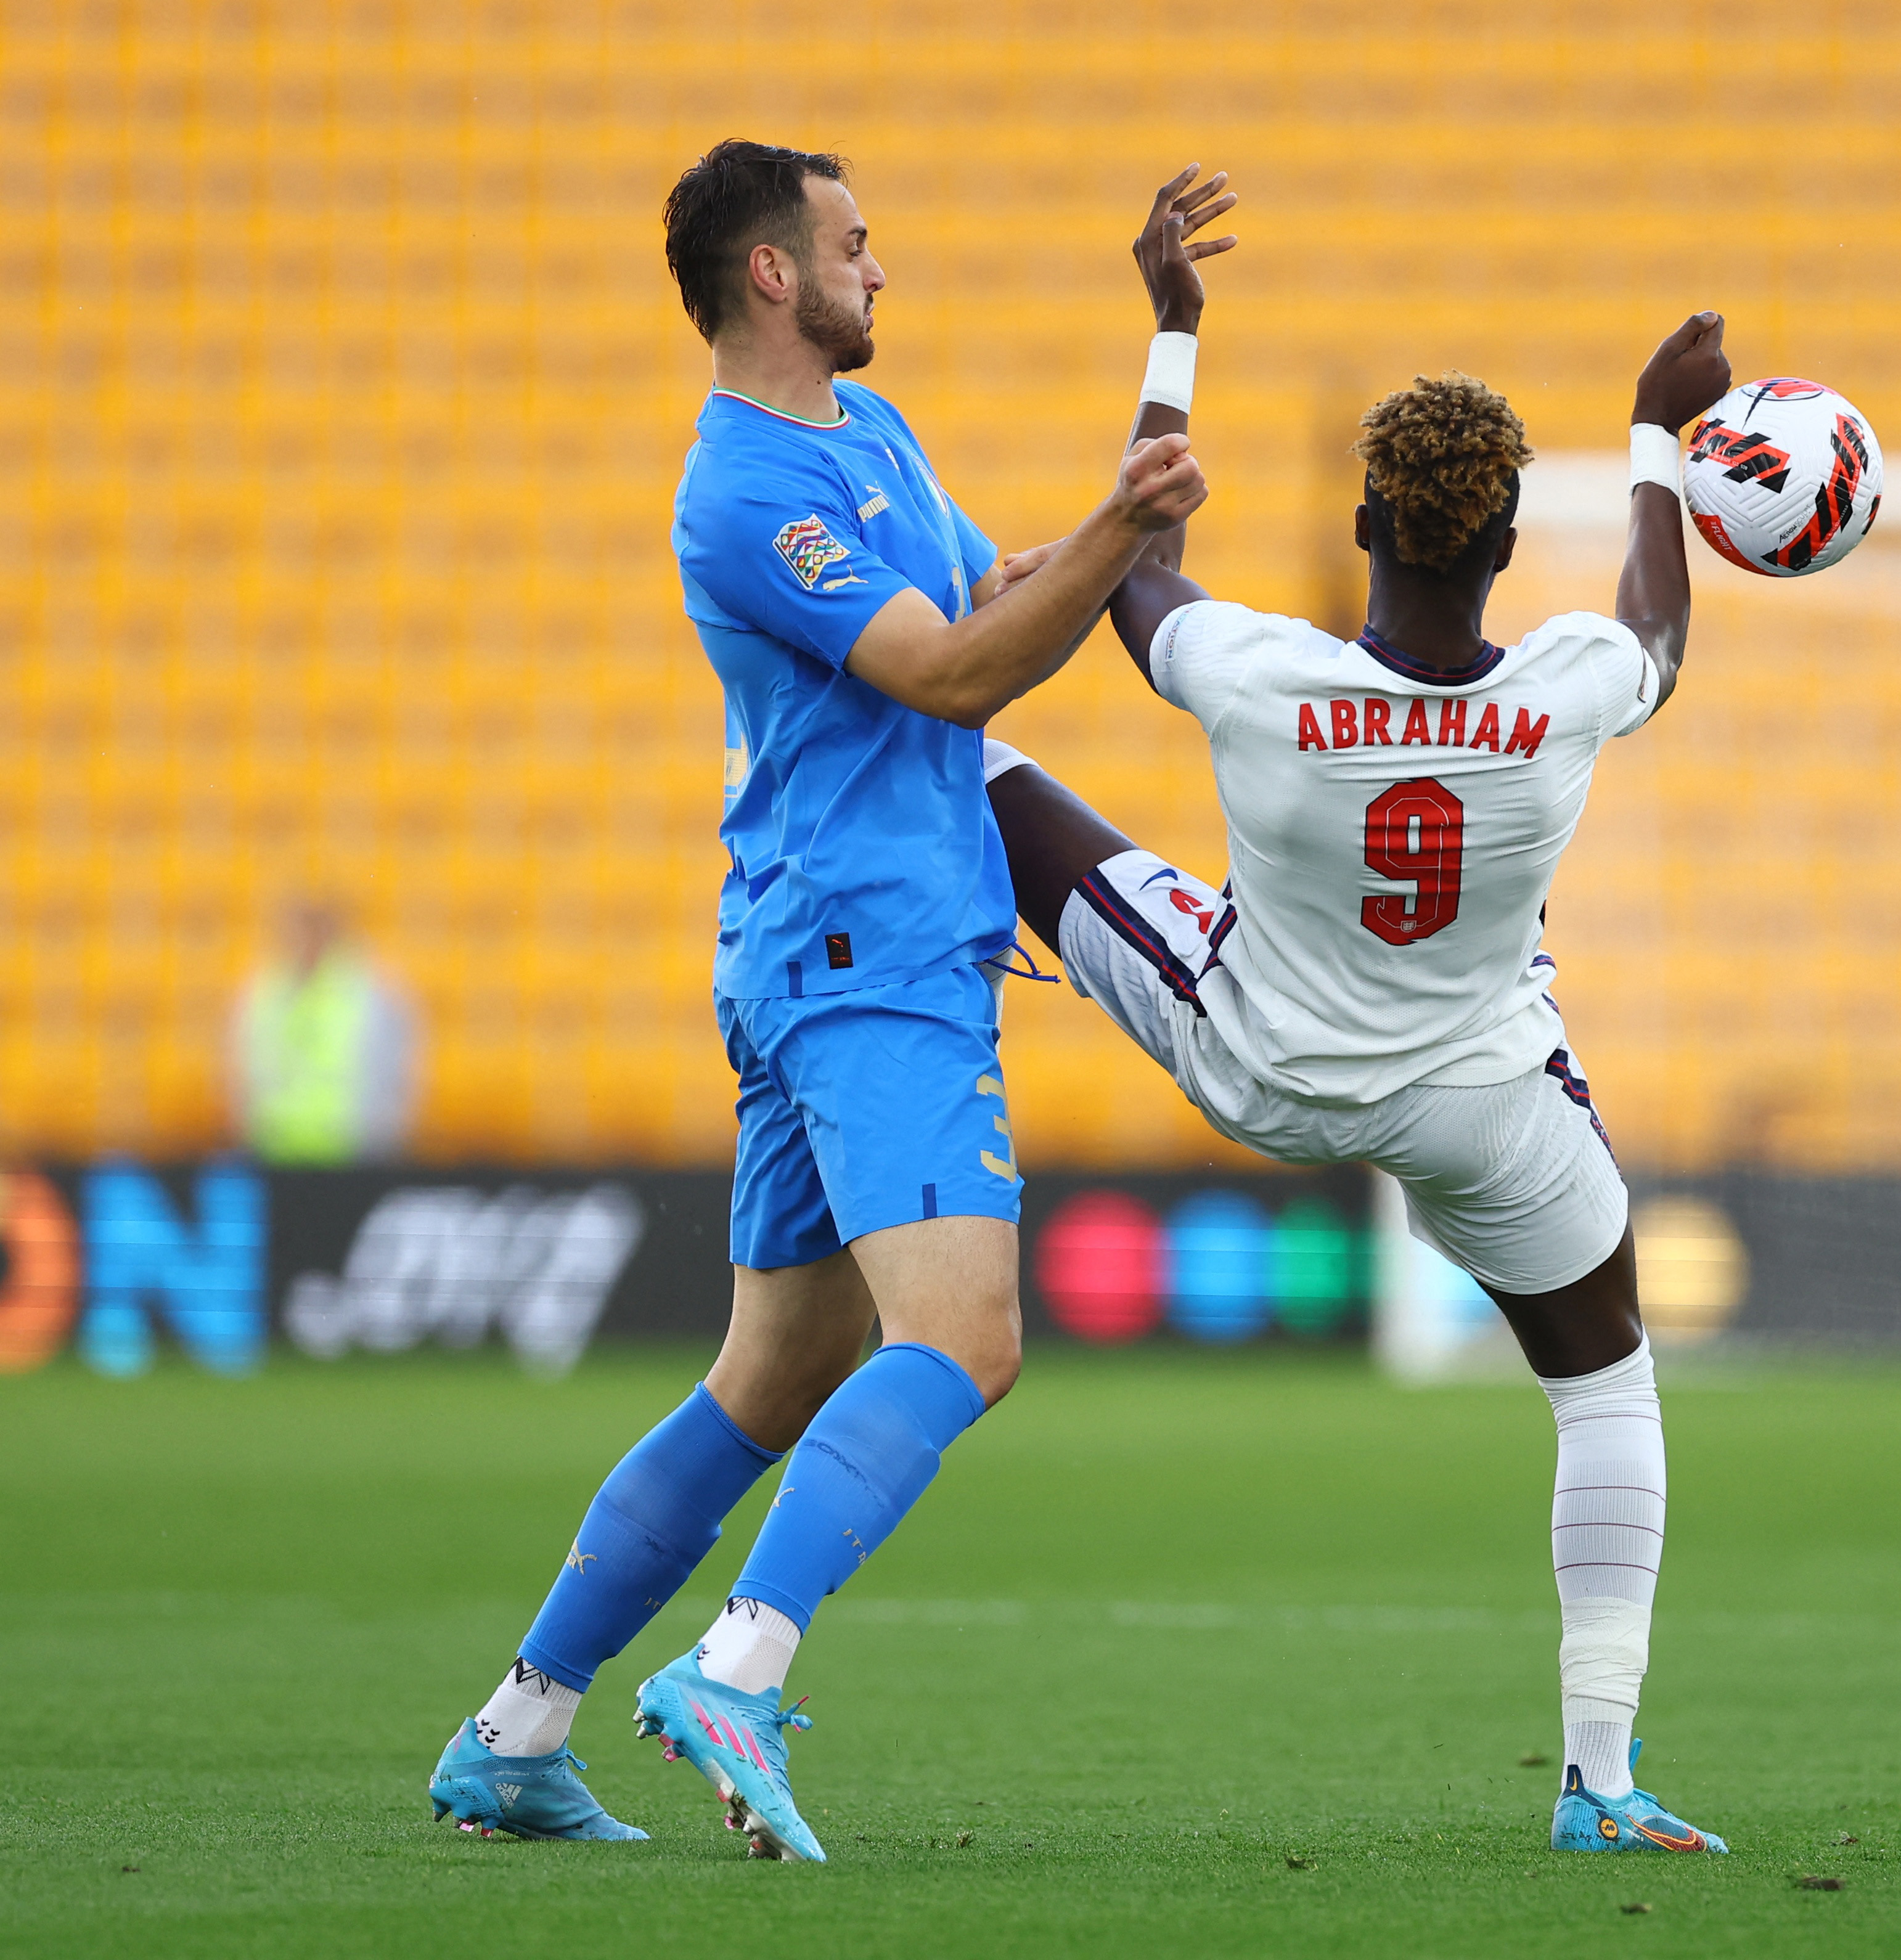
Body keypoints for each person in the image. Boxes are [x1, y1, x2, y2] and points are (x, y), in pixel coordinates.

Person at [425, 142, 1224, 1860]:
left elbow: (993, 597)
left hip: (821, 944)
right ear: (774, 273)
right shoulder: (738, 491)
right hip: (870, 952)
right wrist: (1122, 533)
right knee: (966, 1339)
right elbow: (947, 670)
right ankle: (739, 1666)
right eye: (859, 245)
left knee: (768, 1380)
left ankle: (517, 1726)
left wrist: (1153, 389)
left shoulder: (869, 436)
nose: (886, 270)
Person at [983, 198, 1736, 1854]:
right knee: (1607, 1382)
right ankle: (1601, 1783)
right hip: (1478, 1088)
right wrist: (1657, 431)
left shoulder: (1254, 668)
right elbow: (1663, 632)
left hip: (1255, 1046)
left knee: (956, 761)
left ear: (1359, 521)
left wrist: (1174, 329)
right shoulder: (1564, 687)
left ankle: (883, 985)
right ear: (1507, 539)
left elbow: (1140, 562)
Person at [231, 900, 415, 1164]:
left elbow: (395, 1064)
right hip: (277, 1146)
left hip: (353, 1148)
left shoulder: (371, 990)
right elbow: (246, 1063)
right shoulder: (263, 991)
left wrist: (384, 1133)